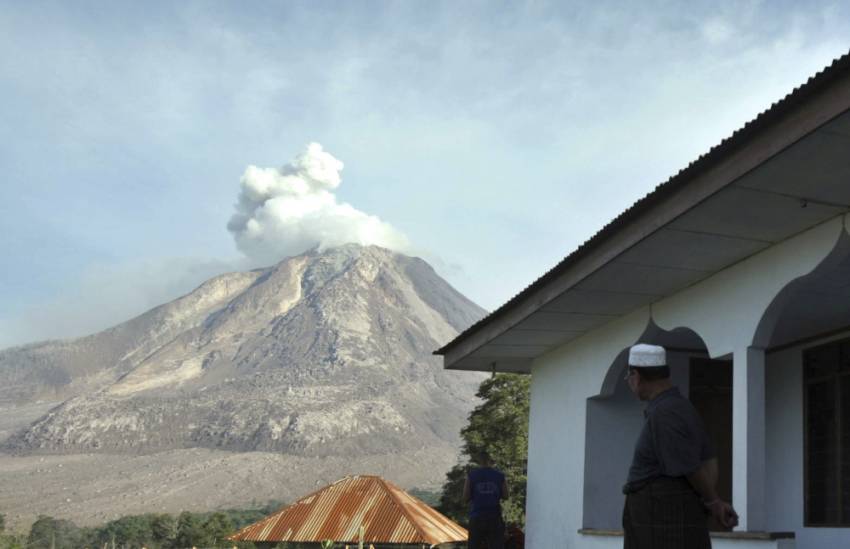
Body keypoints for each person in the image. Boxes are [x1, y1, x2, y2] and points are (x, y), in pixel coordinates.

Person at [622, 343, 738, 549]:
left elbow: (689, 466)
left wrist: (713, 502)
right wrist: (708, 500)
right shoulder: (681, 406)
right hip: (665, 516)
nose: (629, 383)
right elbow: (709, 459)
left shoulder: (665, 413)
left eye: (628, 377)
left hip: (663, 520)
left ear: (636, 376)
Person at [464, 451, 508, 549]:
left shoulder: (471, 475)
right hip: (495, 517)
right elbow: (506, 495)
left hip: (477, 517)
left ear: (479, 461)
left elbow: (466, 497)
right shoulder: (500, 476)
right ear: (490, 461)